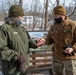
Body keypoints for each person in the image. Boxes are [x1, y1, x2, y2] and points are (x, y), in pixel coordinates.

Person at [36, 5, 76, 75]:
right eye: (54, 15)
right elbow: (49, 39)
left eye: (56, 15)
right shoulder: (53, 27)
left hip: (69, 57)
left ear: (63, 15)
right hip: (56, 56)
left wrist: (72, 48)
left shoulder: (72, 25)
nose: (55, 17)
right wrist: (44, 40)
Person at [0, 5, 38, 75]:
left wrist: (36, 43)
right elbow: (2, 49)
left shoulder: (21, 29)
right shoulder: (3, 29)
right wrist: (17, 56)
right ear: (14, 17)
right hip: (11, 70)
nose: (22, 18)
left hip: (24, 67)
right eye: (21, 16)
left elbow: (28, 41)